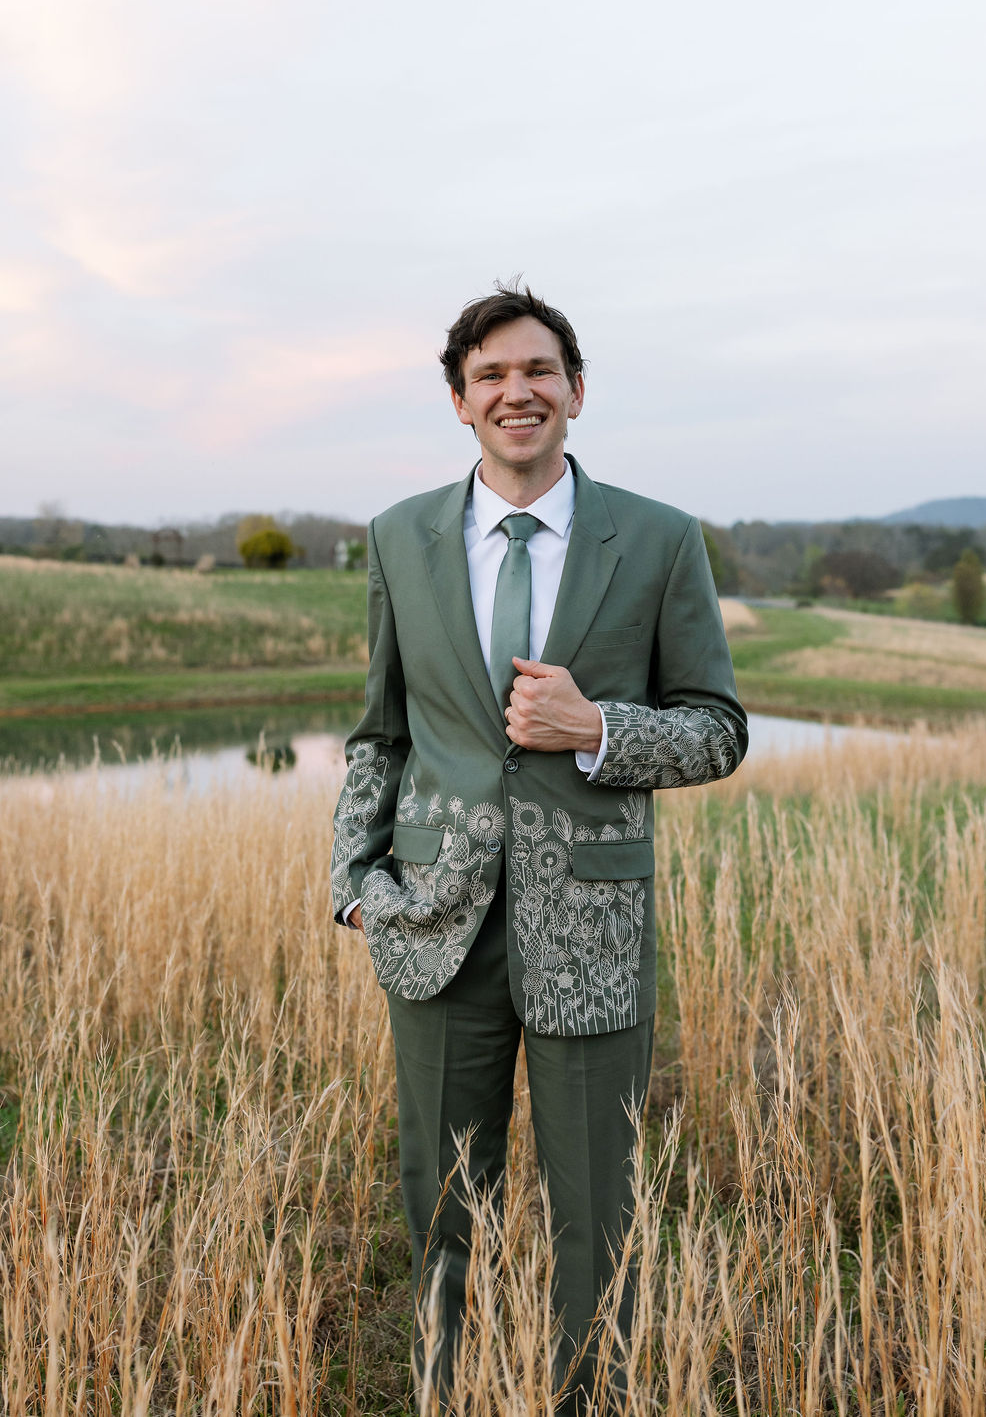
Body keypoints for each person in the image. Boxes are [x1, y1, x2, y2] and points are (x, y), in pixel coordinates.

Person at [330, 281, 747, 1411]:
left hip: (592, 928)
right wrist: (354, 879)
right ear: (459, 401)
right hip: (433, 922)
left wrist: (596, 727)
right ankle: (443, 1390)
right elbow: (380, 731)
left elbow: (718, 729)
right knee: (441, 1206)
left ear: (576, 391)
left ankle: (583, 1397)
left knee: (595, 1216)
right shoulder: (398, 537)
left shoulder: (658, 540)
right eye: (491, 375)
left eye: (538, 371)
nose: (517, 392)